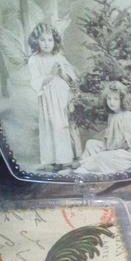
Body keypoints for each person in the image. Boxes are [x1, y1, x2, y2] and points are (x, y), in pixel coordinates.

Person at [27, 22, 81, 170]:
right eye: (42, 40)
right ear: (36, 41)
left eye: (50, 40)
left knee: (63, 125)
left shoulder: (59, 57)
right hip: (48, 98)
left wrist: (63, 74)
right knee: (52, 125)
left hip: (62, 96)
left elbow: (71, 77)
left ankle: (66, 158)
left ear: (55, 41)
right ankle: (51, 159)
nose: (46, 43)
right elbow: (36, 82)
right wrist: (51, 75)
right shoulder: (34, 60)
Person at [73, 81, 131, 174]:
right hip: (114, 149)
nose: (111, 102)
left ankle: (85, 167)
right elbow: (110, 140)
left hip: (127, 155)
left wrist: (109, 149)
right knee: (91, 144)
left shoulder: (127, 117)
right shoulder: (112, 116)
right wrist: (108, 147)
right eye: (109, 99)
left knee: (101, 156)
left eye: (116, 99)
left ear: (122, 100)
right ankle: (86, 165)